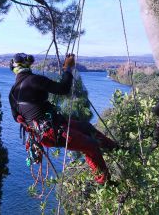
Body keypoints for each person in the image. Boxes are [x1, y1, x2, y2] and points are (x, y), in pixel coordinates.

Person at [8, 52, 117, 184]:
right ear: (27, 65)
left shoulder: (12, 94)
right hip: (53, 131)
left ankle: (115, 148)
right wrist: (68, 68)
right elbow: (63, 88)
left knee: (86, 127)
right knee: (91, 145)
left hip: (47, 132)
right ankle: (105, 183)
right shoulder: (34, 80)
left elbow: (17, 118)